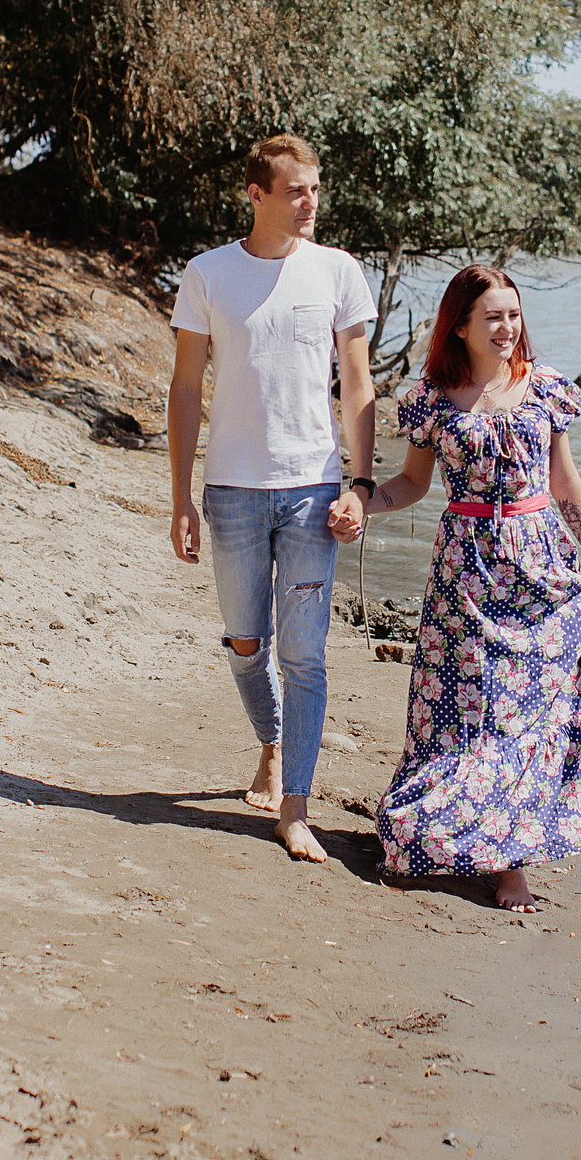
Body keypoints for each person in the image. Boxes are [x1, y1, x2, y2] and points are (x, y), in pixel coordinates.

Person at [359, 263, 581, 911]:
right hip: (466, 573)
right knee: (465, 714)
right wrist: (361, 498)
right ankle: (444, 833)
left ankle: (510, 864)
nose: (508, 327)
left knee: (526, 715)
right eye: (493, 317)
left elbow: (564, 483)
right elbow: (414, 484)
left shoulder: (544, 389)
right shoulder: (433, 397)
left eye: (513, 314)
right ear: (461, 325)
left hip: (538, 568)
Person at [167, 135, 376, 863]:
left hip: (313, 488)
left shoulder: (338, 272)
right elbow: (187, 388)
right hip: (231, 489)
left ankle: (295, 807)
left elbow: (357, 384)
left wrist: (360, 483)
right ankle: (269, 740)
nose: (310, 200)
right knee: (246, 640)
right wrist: (180, 498)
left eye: (315, 187)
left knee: (306, 654)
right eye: (295, 189)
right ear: (255, 194)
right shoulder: (208, 274)